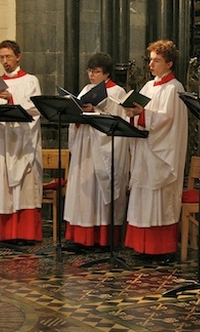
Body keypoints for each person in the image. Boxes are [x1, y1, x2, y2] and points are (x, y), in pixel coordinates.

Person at [124, 39, 188, 264]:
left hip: (161, 152)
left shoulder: (174, 88)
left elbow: (167, 119)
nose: (151, 65)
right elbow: (142, 114)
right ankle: (141, 246)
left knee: (159, 199)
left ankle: (160, 248)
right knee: (143, 197)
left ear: (169, 63)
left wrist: (142, 114)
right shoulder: (148, 87)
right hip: (145, 150)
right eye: (150, 60)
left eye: (157, 61)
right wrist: (131, 111)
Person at [0, 40, 43, 244]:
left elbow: (36, 108)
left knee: (23, 188)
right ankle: (0, 233)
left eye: (8, 57)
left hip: (21, 145)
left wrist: (12, 99)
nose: (5, 61)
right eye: (1, 58)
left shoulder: (30, 81)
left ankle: (24, 234)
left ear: (18, 57)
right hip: (0, 144)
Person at [64, 53, 130, 248]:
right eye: (90, 71)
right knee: (82, 193)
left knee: (98, 192)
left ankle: (100, 238)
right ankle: (80, 237)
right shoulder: (87, 89)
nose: (92, 75)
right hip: (84, 146)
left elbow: (118, 123)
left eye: (97, 72)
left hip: (102, 150)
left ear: (107, 73)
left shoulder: (117, 92)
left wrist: (96, 112)